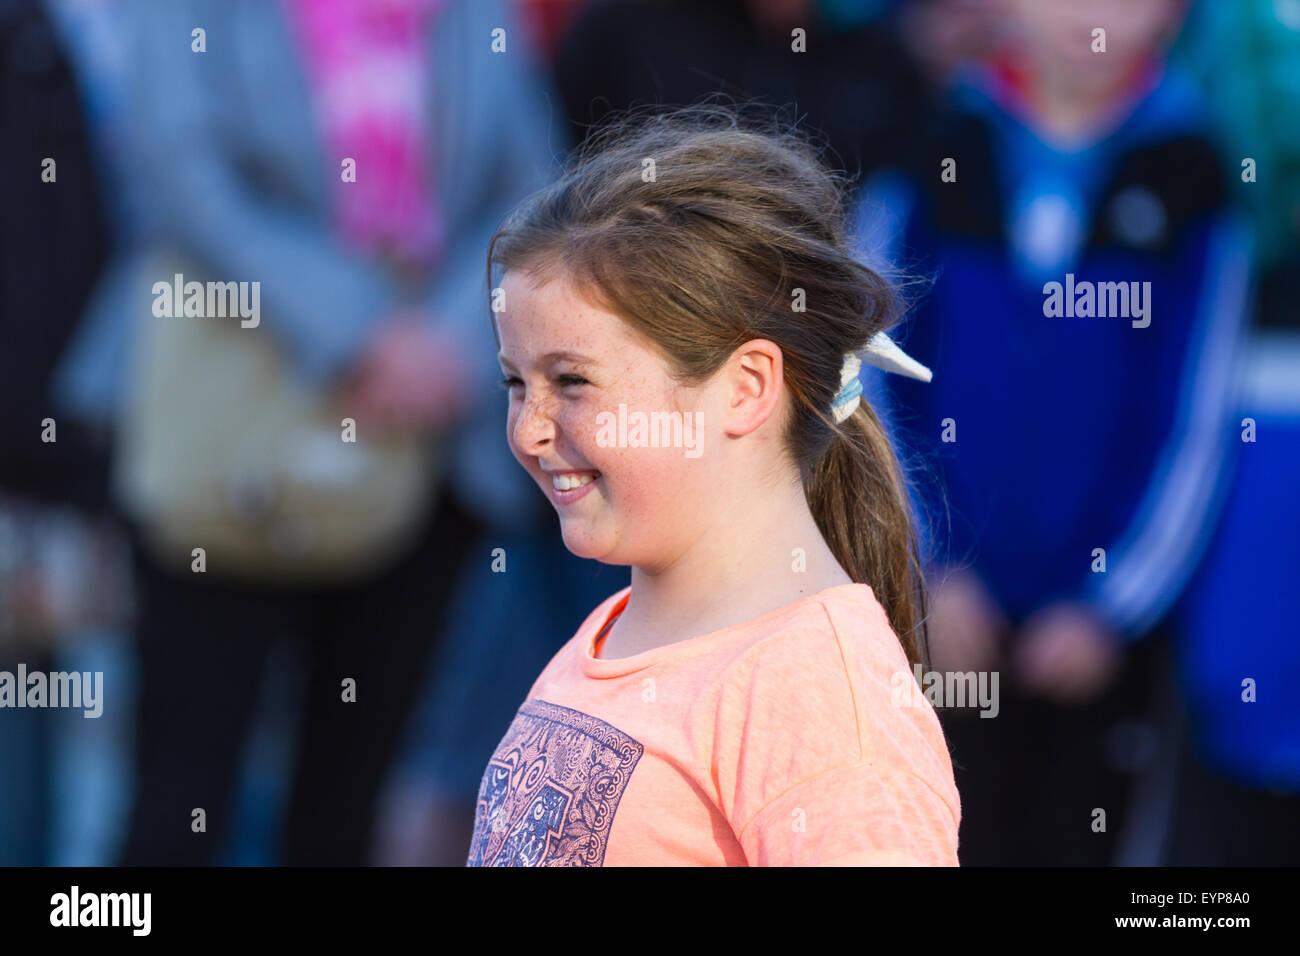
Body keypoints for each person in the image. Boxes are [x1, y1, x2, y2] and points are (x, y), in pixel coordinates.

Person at [465, 104, 960, 867]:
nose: (528, 431)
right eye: (514, 382)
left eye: (571, 381)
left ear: (746, 386)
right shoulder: (611, 628)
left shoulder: (822, 699)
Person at [863, 0, 1253, 864]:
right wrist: (928, 561)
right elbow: (870, 369)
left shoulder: (1192, 171)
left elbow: (1196, 420)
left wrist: (1111, 606)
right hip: (940, 611)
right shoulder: (931, 142)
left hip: (1101, 642)